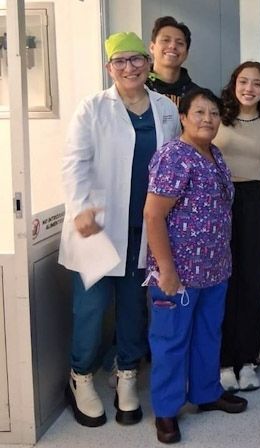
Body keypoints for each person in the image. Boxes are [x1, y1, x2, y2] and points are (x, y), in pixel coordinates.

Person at [59, 32, 181, 427]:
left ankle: (126, 374)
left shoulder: (165, 108)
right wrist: (80, 209)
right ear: (109, 68)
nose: (129, 68)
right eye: (120, 61)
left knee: (133, 310)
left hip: (143, 230)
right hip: (96, 228)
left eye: (136, 59)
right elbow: (74, 163)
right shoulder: (92, 108)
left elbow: (172, 164)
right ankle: (80, 377)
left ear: (147, 62)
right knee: (91, 309)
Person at [144, 87, 247, 445]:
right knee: (171, 341)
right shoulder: (174, 156)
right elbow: (153, 215)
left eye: (214, 113)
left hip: (215, 269)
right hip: (179, 274)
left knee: (208, 335)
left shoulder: (214, 154)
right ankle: (166, 410)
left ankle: (206, 393)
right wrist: (167, 270)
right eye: (200, 112)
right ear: (183, 118)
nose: (208, 119)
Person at [213, 61, 260, 392]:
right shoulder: (217, 117)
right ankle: (224, 362)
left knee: (251, 280)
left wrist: (250, 196)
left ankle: (247, 361)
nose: (249, 88)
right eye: (244, 81)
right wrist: (225, 196)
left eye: (257, 83)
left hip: (253, 202)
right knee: (221, 281)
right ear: (234, 84)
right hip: (215, 202)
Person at [146, 16, 200, 105]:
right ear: (152, 47)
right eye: (166, 40)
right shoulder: (138, 88)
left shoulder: (197, 95)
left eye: (180, 43)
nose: (173, 46)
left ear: (186, 53)